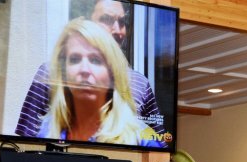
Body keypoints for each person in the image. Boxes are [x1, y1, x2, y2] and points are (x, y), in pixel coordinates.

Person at [16, 0, 165, 137]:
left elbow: (161, 141)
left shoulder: (140, 83)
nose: (117, 30)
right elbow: (26, 136)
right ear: (89, 23)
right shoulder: (49, 73)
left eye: (122, 22)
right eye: (107, 19)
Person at [38, 18, 161, 147]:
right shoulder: (46, 132)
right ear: (63, 73)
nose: (84, 69)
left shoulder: (144, 140)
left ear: (112, 73)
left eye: (95, 60)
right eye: (74, 59)